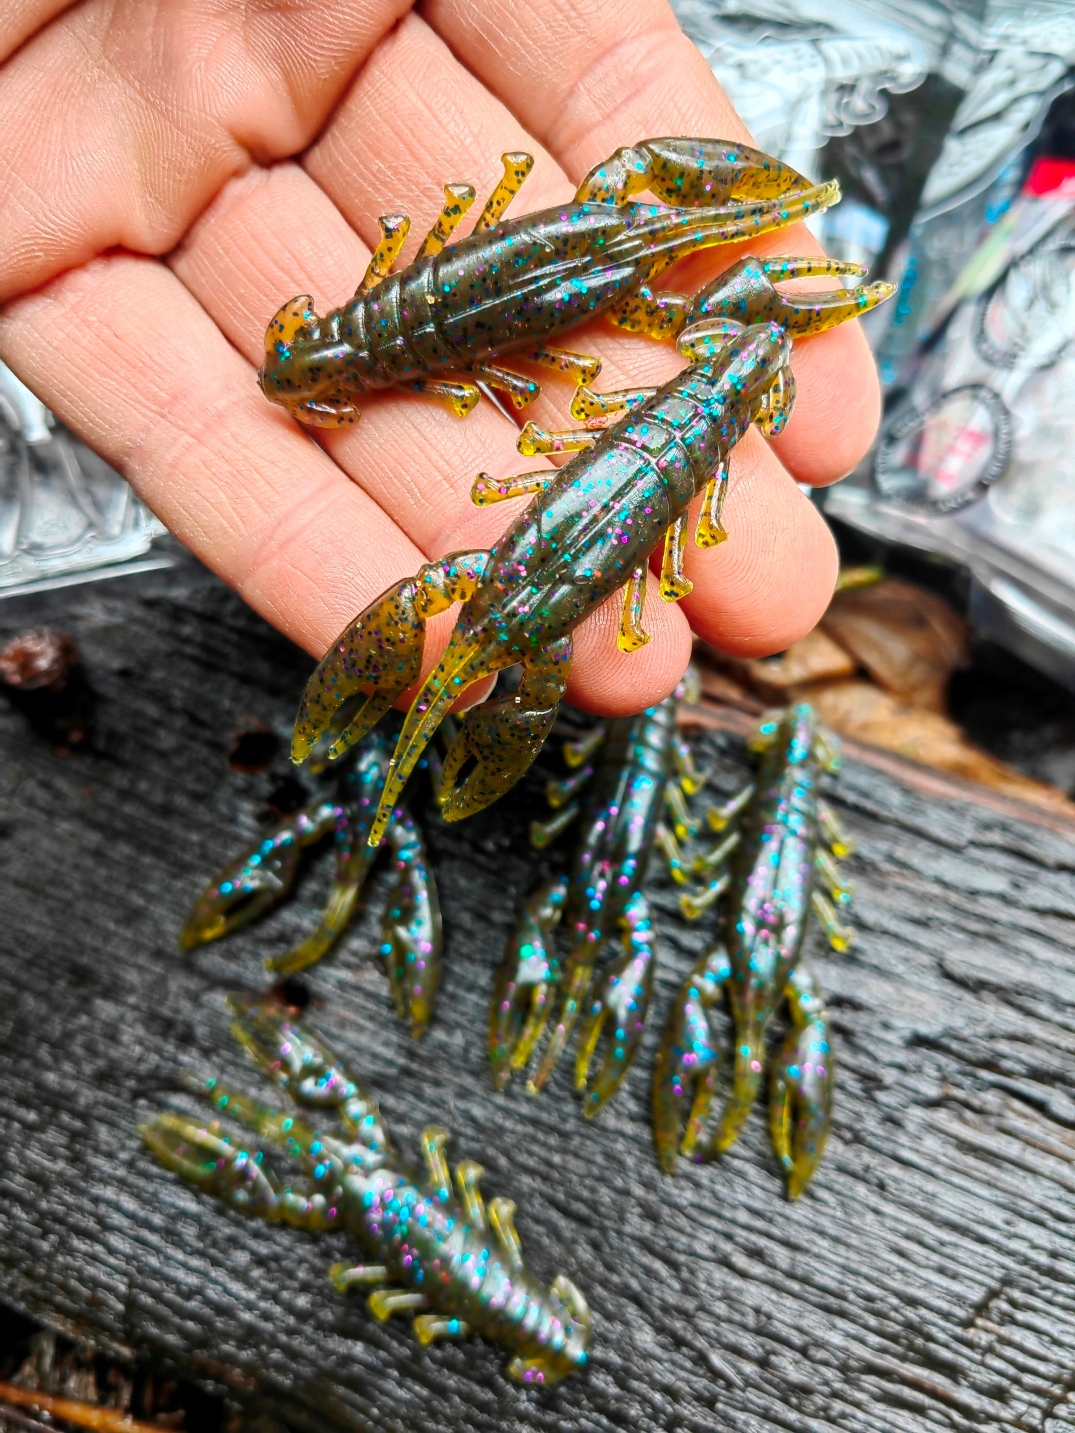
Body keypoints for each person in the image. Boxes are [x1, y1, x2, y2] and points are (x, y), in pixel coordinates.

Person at [0, 0, 881, 718]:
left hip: (411, 327)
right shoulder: (637, 281)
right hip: (420, 335)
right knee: (638, 198)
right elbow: (650, 223)